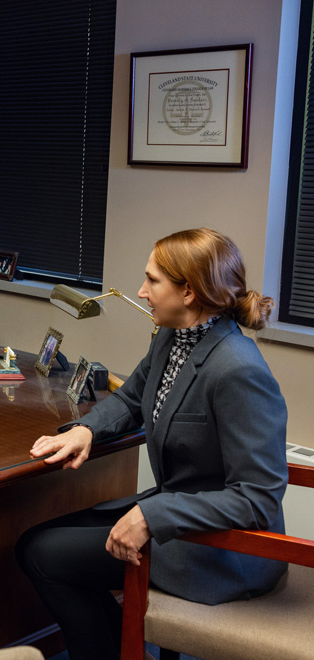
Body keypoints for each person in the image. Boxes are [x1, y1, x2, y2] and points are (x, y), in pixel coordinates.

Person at [15, 228, 288, 660]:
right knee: (36, 540)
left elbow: (257, 499)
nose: (141, 292)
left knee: (42, 555)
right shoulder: (171, 336)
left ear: (189, 292)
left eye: (152, 281)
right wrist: (87, 429)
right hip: (178, 518)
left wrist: (150, 514)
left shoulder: (238, 370)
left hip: (223, 550)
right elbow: (130, 398)